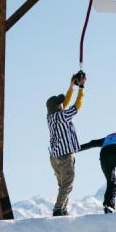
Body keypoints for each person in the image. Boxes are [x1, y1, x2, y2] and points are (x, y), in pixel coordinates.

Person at [46, 72, 86, 216]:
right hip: (64, 155)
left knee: (63, 186)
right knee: (67, 185)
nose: (63, 104)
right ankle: (58, 210)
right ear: (58, 107)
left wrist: (71, 85)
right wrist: (81, 87)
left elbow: (65, 102)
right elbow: (77, 105)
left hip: (54, 157)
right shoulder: (63, 116)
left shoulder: (50, 116)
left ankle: (63, 209)